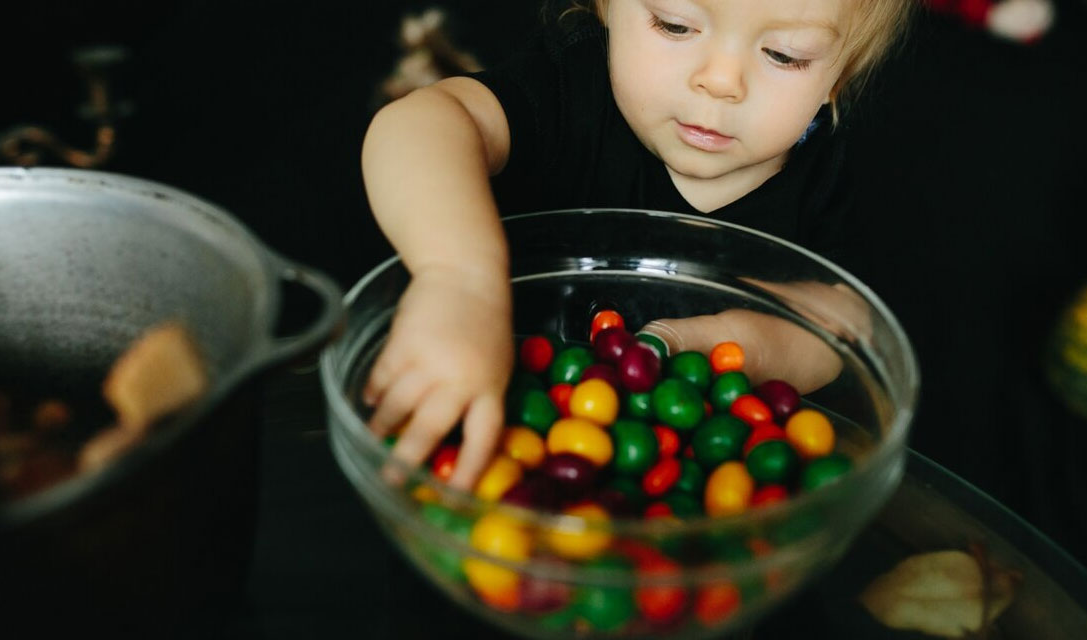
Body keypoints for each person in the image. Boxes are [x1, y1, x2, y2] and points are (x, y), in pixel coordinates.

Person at [359, 0, 913, 490]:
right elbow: (419, 122)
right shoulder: (568, 88)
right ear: (605, 8)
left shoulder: (839, 176)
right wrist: (460, 281)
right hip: (483, 446)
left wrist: (726, 344)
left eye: (785, 55)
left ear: (841, 76)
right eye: (674, 25)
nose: (721, 80)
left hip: (706, 502)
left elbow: (843, 322)